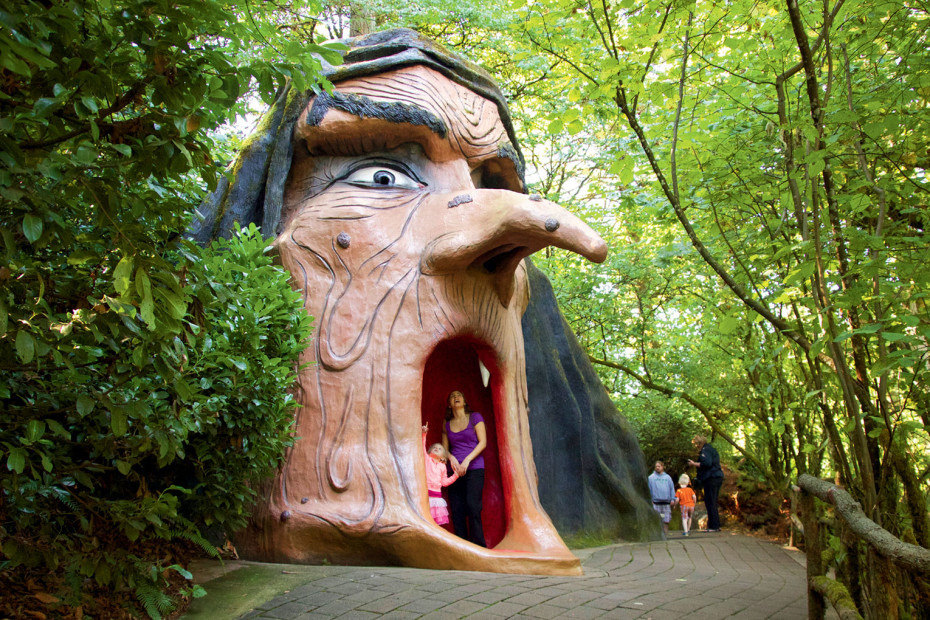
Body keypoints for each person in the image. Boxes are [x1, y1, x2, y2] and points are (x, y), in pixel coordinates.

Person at [442, 390, 488, 546]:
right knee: (457, 510)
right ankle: (463, 547)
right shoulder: (446, 424)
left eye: (459, 395)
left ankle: (480, 547)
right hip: (454, 472)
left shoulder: (475, 417)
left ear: (465, 401)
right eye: (452, 396)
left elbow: (483, 443)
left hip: (474, 467)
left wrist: (467, 460)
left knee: (473, 507)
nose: (456, 397)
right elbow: (444, 449)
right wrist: (451, 457)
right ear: (449, 404)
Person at [422, 424, 459, 525]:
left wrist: (455, 475)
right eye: (434, 448)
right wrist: (424, 434)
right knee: (426, 520)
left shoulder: (442, 466)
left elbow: (444, 482)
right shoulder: (427, 459)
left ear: (443, 458)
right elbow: (422, 447)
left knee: (435, 522)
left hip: (436, 497)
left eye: (439, 449)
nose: (436, 448)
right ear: (429, 452)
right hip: (426, 495)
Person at [689, 434, 724, 532]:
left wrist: (693, 464)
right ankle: (715, 525)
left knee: (710, 501)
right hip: (717, 477)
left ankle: (713, 526)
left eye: (696, 444)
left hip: (711, 478)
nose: (696, 446)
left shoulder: (705, 450)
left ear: (700, 443)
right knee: (713, 501)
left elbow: (707, 463)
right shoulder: (711, 449)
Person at [647, 461, 677, 537]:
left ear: (662, 467)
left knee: (666, 520)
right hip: (655, 502)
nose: (657, 467)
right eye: (656, 466)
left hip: (666, 502)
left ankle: (665, 535)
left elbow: (671, 489)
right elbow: (648, 489)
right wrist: (650, 500)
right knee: (656, 520)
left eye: (659, 466)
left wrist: (672, 499)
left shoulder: (667, 478)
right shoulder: (651, 478)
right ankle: (656, 535)